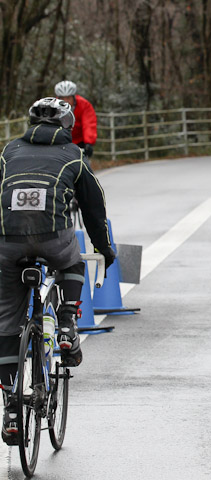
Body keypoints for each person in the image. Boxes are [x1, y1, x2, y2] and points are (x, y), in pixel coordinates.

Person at [0, 98, 115, 445]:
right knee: (72, 262)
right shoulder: (74, 156)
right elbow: (94, 210)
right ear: (66, 127)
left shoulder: (8, 153)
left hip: (8, 242)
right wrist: (104, 249)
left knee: (6, 322)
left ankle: (12, 410)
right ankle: (66, 321)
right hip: (54, 239)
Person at [54, 80, 97, 158]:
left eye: (68, 98)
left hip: (79, 142)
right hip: (60, 141)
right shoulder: (53, 106)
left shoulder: (84, 105)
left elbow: (89, 124)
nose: (66, 101)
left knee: (83, 166)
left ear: (74, 97)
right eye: (63, 98)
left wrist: (88, 143)